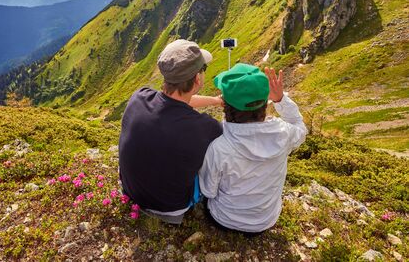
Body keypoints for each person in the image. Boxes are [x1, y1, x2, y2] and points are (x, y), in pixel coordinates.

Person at [119, 39, 223, 224]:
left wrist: (215, 101)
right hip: (171, 207)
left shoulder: (139, 97)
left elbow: (176, 101)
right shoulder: (206, 127)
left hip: (131, 191)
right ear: (198, 79)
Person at [199, 63, 307, 233]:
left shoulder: (219, 147)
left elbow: (208, 191)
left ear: (225, 105)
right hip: (267, 221)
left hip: (225, 219)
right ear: (265, 102)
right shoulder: (284, 133)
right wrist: (280, 100)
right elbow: (300, 127)